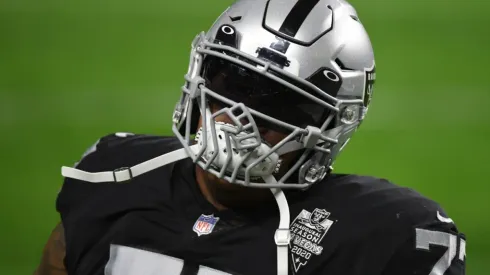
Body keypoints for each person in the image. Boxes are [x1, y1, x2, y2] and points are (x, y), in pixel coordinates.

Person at [34, 0, 466, 274]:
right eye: (233, 85)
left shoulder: (382, 237)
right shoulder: (110, 177)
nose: (241, 119)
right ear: (201, 75)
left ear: (333, 126)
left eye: (284, 106)